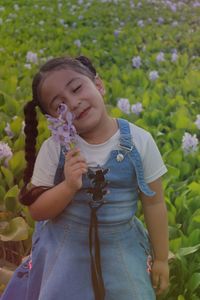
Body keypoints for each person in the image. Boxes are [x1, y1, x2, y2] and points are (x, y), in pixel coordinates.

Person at [1, 55, 169, 300]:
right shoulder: (55, 148)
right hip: (65, 245)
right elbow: (37, 212)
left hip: (120, 244)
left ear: (98, 85)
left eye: (77, 88)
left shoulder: (139, 141)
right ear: (53, 118)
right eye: (59, 105)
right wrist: (68, 187)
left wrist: (162, 258)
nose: (73, 103)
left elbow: (154, 202)